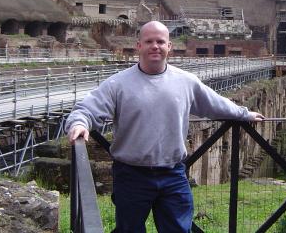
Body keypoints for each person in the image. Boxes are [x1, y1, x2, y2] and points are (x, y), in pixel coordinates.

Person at [65, 21, 264, 233]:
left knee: (178, 230)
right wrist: (79, 123)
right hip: (131, 174)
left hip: (173, 173)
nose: (155, 46)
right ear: (139, 46)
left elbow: (215, 104)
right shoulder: (117, 84)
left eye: (160, 41)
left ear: (169, 46)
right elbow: (87, 109)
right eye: (149, 41)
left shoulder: (186, 81)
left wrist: (244, 114)